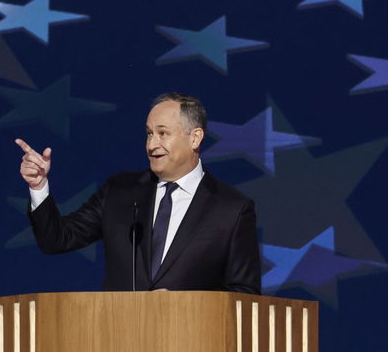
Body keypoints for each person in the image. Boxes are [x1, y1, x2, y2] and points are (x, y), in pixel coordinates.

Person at [16, 92, 261, 294]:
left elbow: (244, 298)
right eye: (149, 133)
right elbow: (57, 239)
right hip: (120, 341)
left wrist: (187, 306)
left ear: (195, 138)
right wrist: (39, 187)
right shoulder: (119, 192)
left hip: (192, 347)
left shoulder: (231, 209)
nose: (152, 144)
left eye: (162, 133)